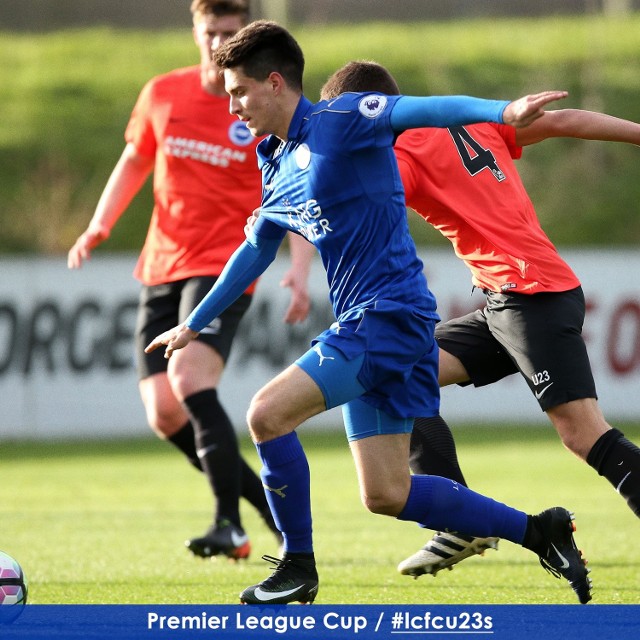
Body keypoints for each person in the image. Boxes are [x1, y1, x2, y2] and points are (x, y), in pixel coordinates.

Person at [145, 20, 592, 605]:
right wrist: (194, 323)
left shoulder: (344, 118)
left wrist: (503, 110)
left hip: (389, 318)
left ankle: (296, 567)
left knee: (266, 414)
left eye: (239, 92)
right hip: (370, 322)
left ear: (275, 83)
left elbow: (426, 110)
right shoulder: (273, 159)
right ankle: (540, 530)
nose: (232, 105)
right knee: (386, 493)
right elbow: (255, 248)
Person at [319, 60, 640, 579]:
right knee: (397, 369)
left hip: (530, 294)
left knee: (584, 434)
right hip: (510, 299)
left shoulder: (395, 153)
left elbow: (360, 206)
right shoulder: (469, 121)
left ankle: (460, 517)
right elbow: (565, 120)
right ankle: (460, 519)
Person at [67, 0, 313, 561]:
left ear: (244, 35)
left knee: (189, 376)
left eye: (230, 31)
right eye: (211, 31)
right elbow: (135, 158)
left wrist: (299, 272)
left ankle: (227, 522)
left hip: (224, 269)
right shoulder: (162, 94)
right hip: (161, 265)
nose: (217, 40)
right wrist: (98, 224)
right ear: (195, 31)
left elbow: (296, 194)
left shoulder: (260, 105)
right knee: (164, 412)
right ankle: (269, 516)